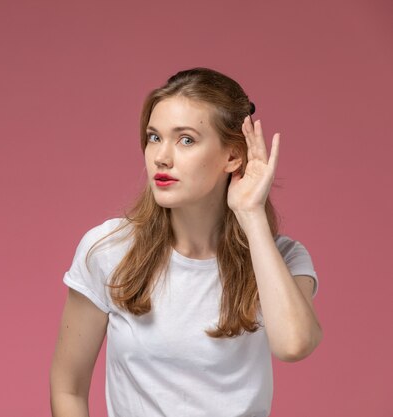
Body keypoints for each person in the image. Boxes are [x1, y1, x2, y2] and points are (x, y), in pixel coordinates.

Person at [49, 67, 322, 417]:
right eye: (154, 137)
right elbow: (67, 387)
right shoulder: (108, 250)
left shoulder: (280, 258)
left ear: (233, 156)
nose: (161, 156)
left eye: (186, 139)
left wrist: (251, 215)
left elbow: (293, 345)